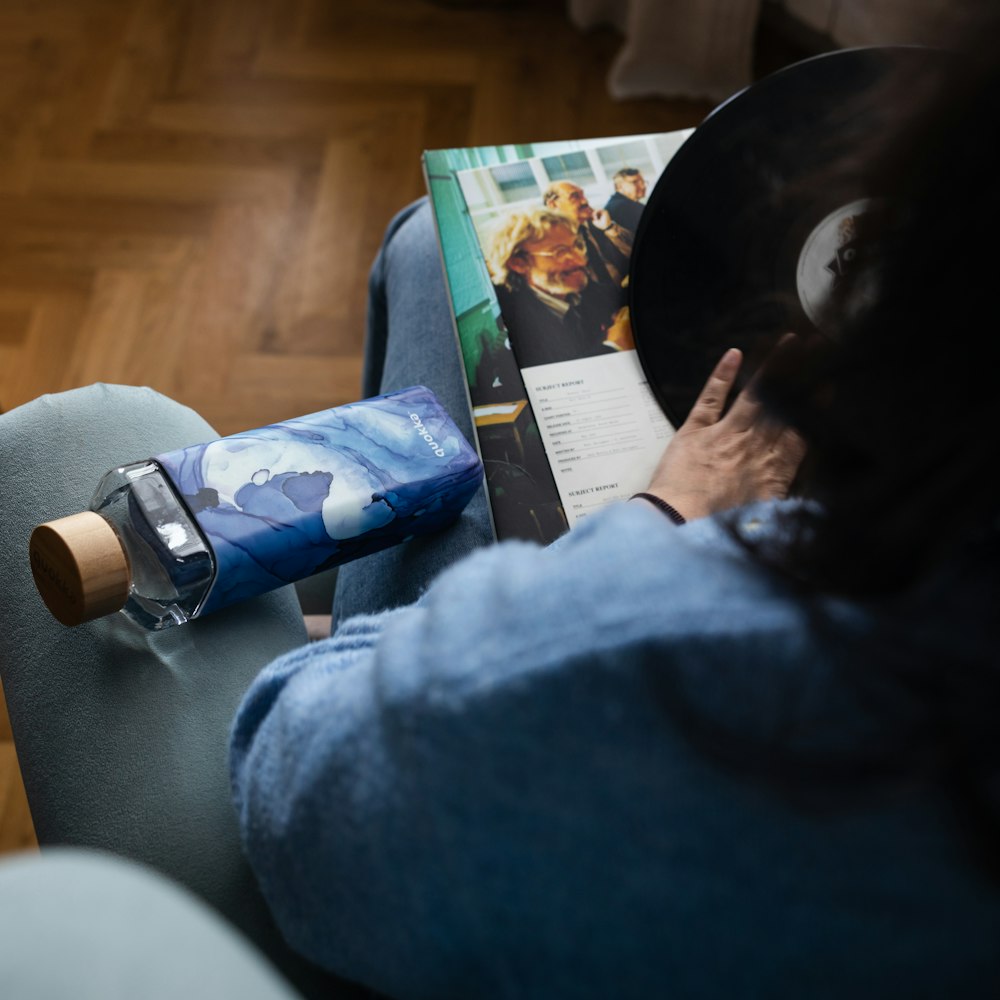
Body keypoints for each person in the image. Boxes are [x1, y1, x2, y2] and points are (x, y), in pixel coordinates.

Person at [227, 20, 1000, 998]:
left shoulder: (662, 644)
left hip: (367, 855)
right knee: (432, 252)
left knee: (423, 253)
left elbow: (295, 790)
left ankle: (347, 615)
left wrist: (661, 516)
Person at [484, 207, 631, 367]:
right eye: (560, 252)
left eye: (577, 246)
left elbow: (614, 296)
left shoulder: (575, 287)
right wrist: (615, 345)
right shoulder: (513, 327)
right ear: (518, 263)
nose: (580, 260)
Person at [542, 179, 633, 285]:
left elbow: (632, 250)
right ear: (553, 205)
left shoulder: (598, 223)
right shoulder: (551, 240)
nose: (585, 201)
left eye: (583, 195)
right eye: (575, 196)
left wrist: (609, 227)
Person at [604, 167, 648, 232]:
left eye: (643, 182)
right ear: (619, 187)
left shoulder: (621, 204)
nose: (643, 186)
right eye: (635, 182)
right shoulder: (621, 207)